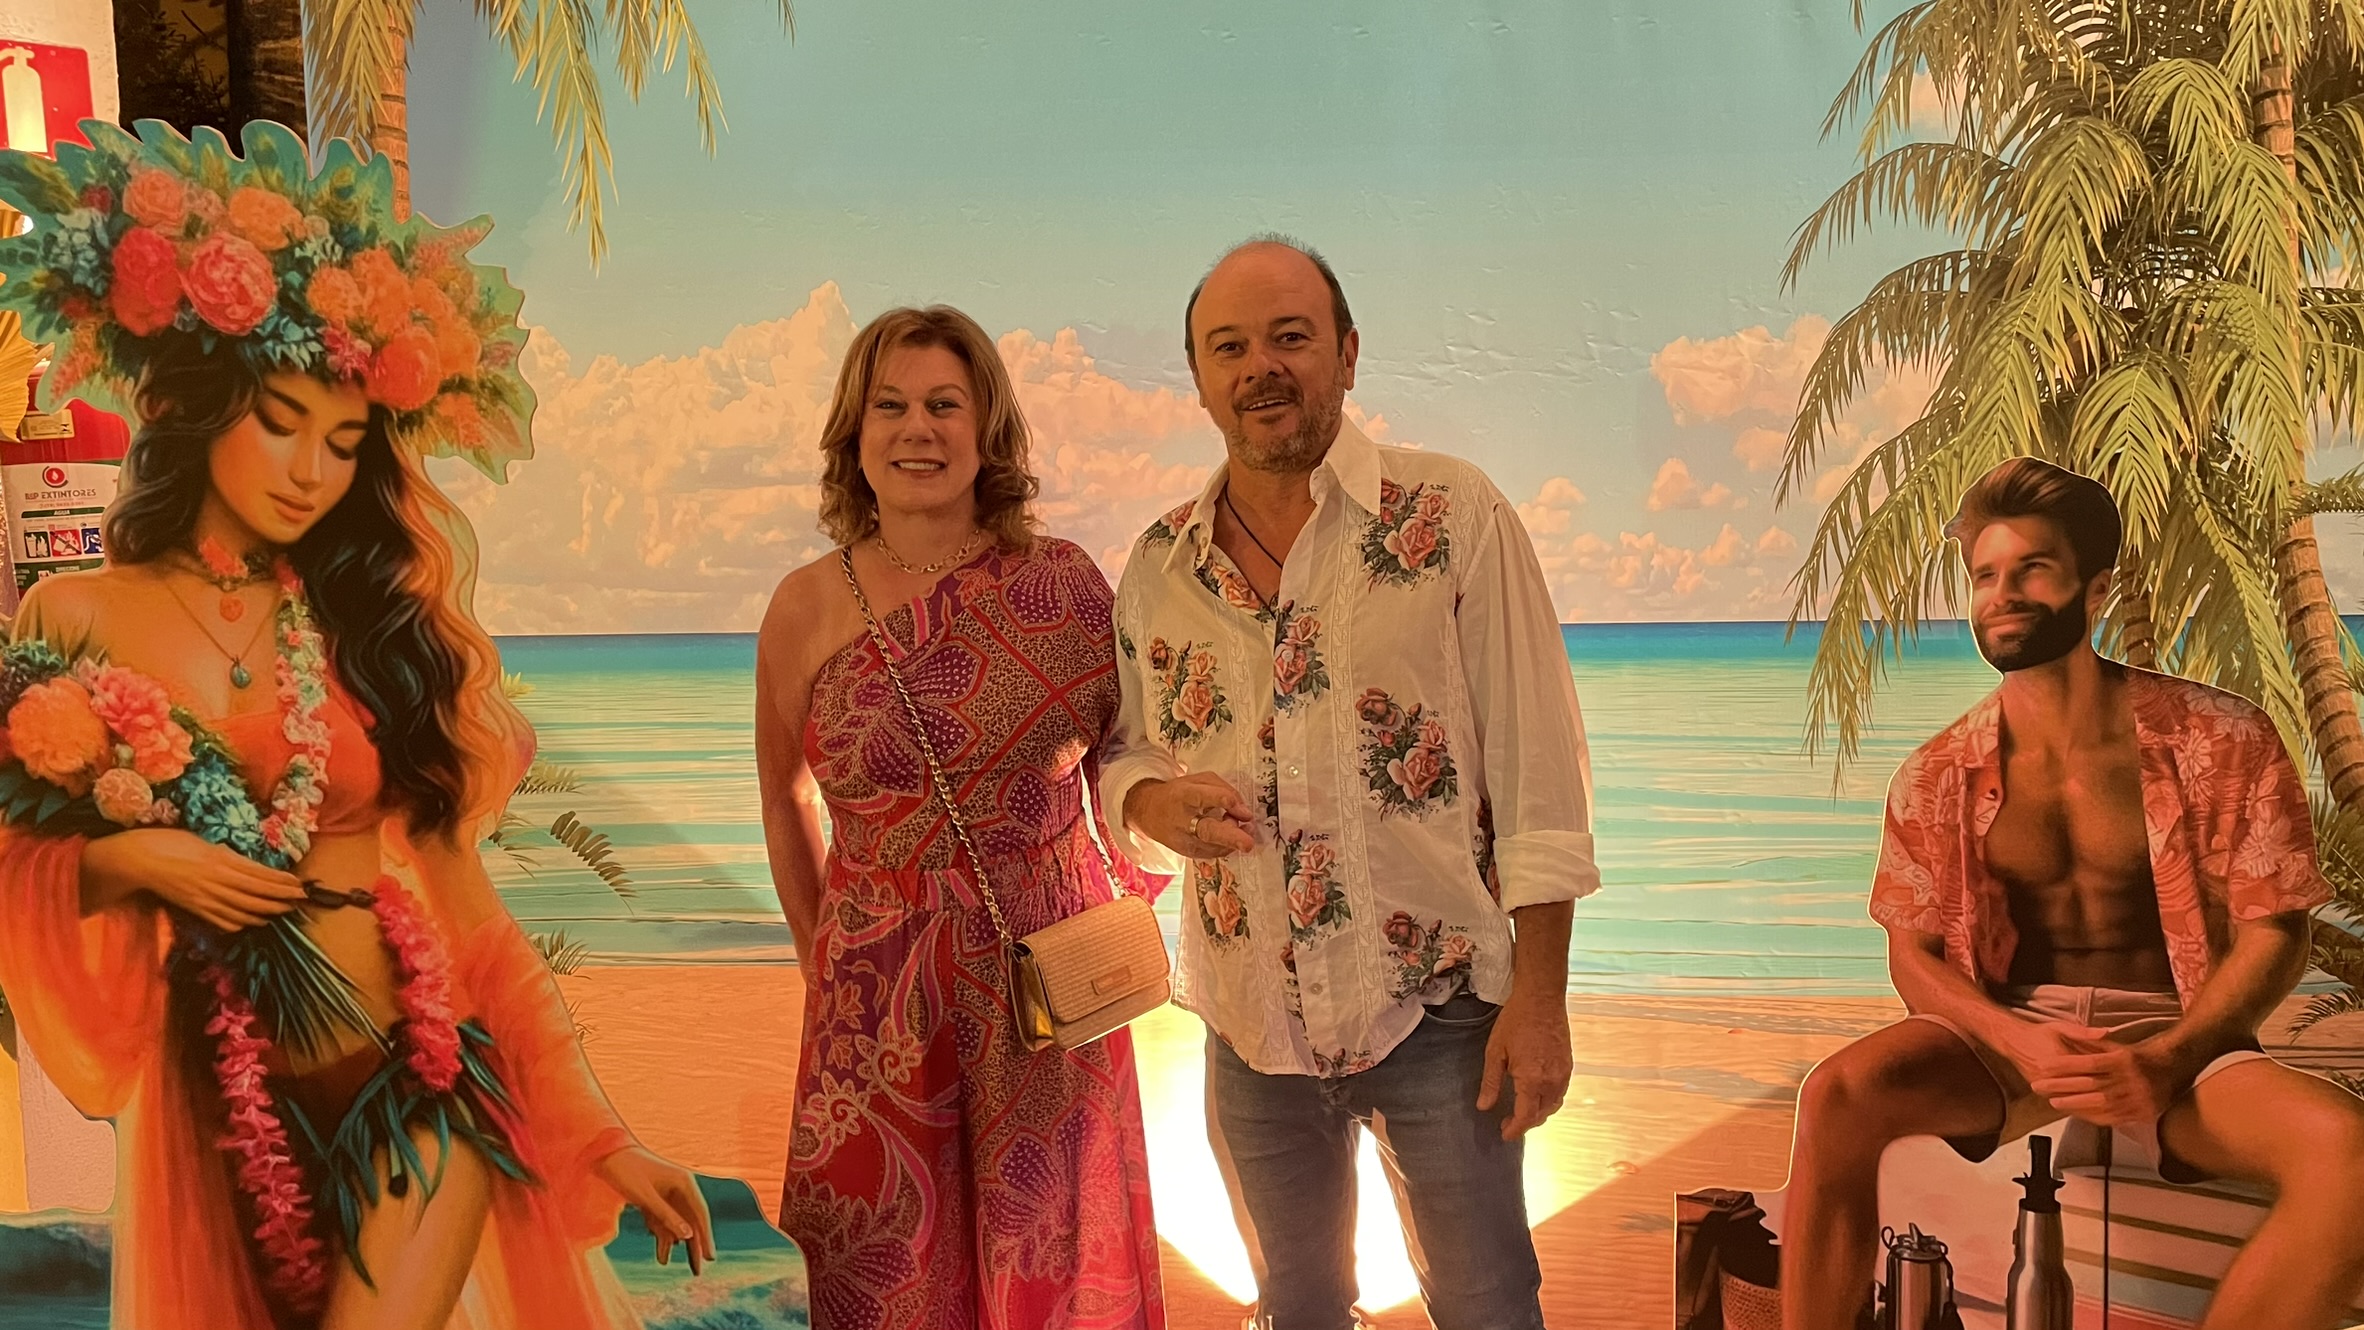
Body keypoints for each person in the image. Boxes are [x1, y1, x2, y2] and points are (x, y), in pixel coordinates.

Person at [0, 120, 713, 1330]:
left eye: (343, 444)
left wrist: (603, 1136)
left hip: (412, 1064)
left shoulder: (361, 619)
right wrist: (141, 859)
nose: (312, 473)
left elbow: (474, 915)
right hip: (212, 1100)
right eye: (281, 421)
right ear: (202, 408)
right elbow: (16, 864)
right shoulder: (78, 615)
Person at [1100, 237, 1595, 1330]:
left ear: (1349, 353)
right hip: (1250, 1030)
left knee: (1488, 1308)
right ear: (1199, 377)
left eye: (1290, 337)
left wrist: (1542, 1002)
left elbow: (1540, 779)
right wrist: (1149, 803)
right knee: (1296, 1308)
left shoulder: (1454, 516)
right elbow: (1124, 749)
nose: (1261, 368)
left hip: (1443, 1016)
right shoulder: (1158, 565)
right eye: (1229, 347)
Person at [1777, 458, 2364, 1330]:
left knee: (2348, 1150)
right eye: (1986, 575)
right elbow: (1913, 958)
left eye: (2032, 569)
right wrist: (2017, 1036)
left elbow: (2275, 933)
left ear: (2096, 589)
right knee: (1837, 1095)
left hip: (2182, 1045)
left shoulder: (2220, 737)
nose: (2002, 595)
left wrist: (2168, 1058)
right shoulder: (1936, 772)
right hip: (2008, 1048)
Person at [755, 304, 1165, 1329]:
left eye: (945, 405)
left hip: (1045, 987)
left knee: (1053, 1261)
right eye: (890, 406)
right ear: (855, 433)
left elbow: (1129, 757)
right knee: (885, 1271)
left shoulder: (1063, 583)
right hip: (878, 1006)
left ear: (987, 431)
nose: (918, 429)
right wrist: (825, 962)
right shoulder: (805, 606)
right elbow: (785, 795)